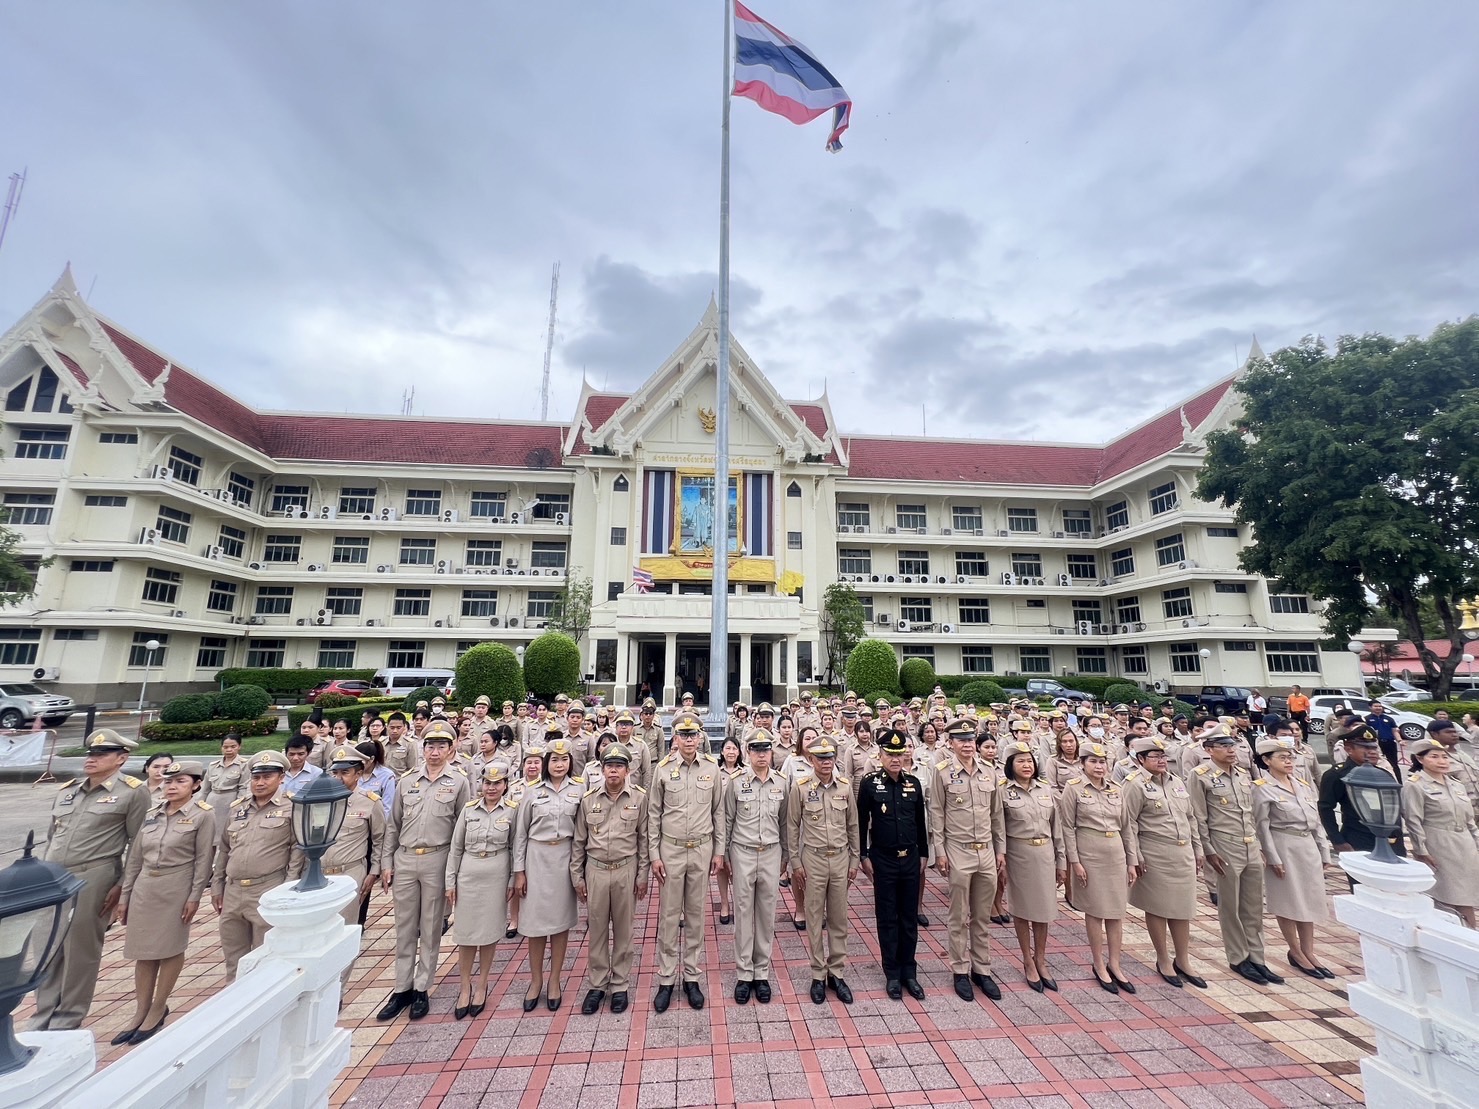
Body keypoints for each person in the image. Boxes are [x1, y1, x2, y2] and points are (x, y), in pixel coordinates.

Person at [31, 729, 150, 1031]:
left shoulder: (132, 791)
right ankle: (42, 1014)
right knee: (46, 947)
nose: (92, 759)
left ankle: (67, 1017)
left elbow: (138, 842)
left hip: (94, 874)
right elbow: (51, 836)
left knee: (79, 950)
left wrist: (122, 884)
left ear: (121, 759)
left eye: (101, 754)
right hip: (54, 877)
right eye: (90, 754)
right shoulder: (68, 790)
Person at [113, 759, 214, 1045]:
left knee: (169, 949)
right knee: (142, 951)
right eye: (168, 781)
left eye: (180, 781)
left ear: (195, 785)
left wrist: (195, 896)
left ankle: (158, 1007)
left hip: (176, 886)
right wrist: (126, 894)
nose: (171, 786)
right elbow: (134, 858)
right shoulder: (152, 813)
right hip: (146, 885)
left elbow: (203, 860)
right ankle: (141, 1009)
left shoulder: (202, 815)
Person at [377, 722, 470, 1022]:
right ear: (423, 747)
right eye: (430, 745)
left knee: (430, 926)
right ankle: (401, 987)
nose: (434, 751)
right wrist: (386, 863)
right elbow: (393, 825)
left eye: (442, 746)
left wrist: (454, 872)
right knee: (404, 926)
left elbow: (461, 828)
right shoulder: (407, 781)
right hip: (405, 859)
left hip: (437, 858)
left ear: (451, 749)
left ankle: (421, 987)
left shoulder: (458, 781)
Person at [1189, 727, 1283, 986]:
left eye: (1232, 744)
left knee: (1253, 906)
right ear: (1209, 749)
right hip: (1224, 846)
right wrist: (1208, 849)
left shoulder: (1242, 775)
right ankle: (1238, 957)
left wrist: (1261, 845)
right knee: (1230, 906)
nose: (1231, 750)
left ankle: (1257, 957)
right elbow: (1199, 817)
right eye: (1223, 745)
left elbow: (1250, 814)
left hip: (1249, 844)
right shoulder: (1200, 776)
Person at [647, 713, 727, 1012]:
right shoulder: (663, 770)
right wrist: (654, 854)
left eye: (694, 734)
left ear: (701, 737)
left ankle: (692, 976)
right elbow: (653, 815)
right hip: (671, 850)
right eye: (684, 734)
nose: (690, 739)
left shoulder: (711, 769)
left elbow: (718, 812)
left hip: (702, 850)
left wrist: (719, 851)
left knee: (696, 915)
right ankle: (667, 978)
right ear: (675, 738)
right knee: (668, 917)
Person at [929, 717, 1005, 1003]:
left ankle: (981, 969)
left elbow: (996, 815)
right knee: (959, 915)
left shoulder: (989, 771)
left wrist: (1000, 850)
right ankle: (960, 969)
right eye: (961, 740)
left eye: (971, 739)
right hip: (958, 849)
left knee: (982, 915)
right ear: (950, 743)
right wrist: (940, 851)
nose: (968, 744)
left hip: (986, 851)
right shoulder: (942, 772)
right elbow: (936, 813)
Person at [212, 750, 304, 981]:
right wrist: (216, 886)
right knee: (234, 957)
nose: (260, 783)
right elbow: (224, 849)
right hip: (233, 891)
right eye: (256, 777)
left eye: (267, 777)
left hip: (268, 888)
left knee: (268, 955)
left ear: (281, 777)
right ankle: (235, 1002)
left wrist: (287, 888)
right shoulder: (238, 808)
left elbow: (297, 849)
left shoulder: (292, 806)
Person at [1122, 737, 1206, 989]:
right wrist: (1134, 855)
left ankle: (1183, 959)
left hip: (1182, 853)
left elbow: (1190, 818)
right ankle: (1163, 959)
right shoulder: (1134, 785)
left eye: (1163, 756)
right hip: (1154, 853)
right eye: (1155, 756)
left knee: (1183, 909)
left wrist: (1198, 848)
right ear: (1140, 760)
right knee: (1157, 907)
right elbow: (1129, 823)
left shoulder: (1177, 782)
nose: (1162, 760)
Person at [572, 742, 649, 1015]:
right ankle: (597, 984)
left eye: (619, 766)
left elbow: (644, 840)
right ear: (602, 769)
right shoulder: (588, 799)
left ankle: (619, 984)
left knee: (624, 930)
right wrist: (577, 876)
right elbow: (579, 841)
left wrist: (643, 876)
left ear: (628, 770)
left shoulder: (639, 798)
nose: (613, 771)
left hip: (626, 869)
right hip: (596, 870)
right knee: (597, 930)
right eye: (609, 766)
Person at [1251, 735, 1335, 976]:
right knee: (1288, 900)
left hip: (1306, 845)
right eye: (1282, 758)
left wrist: (1323, 850)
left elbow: (1316, 822)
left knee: (1309, 899)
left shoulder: (1302, 785)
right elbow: (1261, 825)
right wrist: (1271, 855)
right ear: (1266, 760)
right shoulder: (1262, 788)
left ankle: (1309, 951)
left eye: (1290, 757)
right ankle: (1295, 951)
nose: (1288, 761)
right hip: (1283, 845)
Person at [786, 736, 859, 1005]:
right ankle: (818, 973)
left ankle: (836, 973)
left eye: (829, 757)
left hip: (840, 859)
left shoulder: (845, 787)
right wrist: (795, 862)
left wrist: (854, 861)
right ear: (811, 760)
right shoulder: (801, 787)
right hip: (813, 860)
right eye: (820, 757)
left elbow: (853, 826)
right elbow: (792, 827)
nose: (826, 762)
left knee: (839, 918)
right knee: (815, 919)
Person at [513, 736, 583, 1011]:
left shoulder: (579, 789)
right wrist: (519, 871)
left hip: (565, 858)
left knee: (560, 923)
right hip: (537, 858)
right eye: (554, 759)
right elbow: (520, 834)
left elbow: (583, 832)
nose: (559, 764)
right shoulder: (531, 791)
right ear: (546, 763)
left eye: (564, 759)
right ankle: (535, 980)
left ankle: (555, 980)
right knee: (534, 925)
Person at [1059, 742, 1135, 993]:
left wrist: (1131, 860)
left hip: (1115, 853)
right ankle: (1098, 962)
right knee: (1095, 910)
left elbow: (1126, 827)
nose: (1099, 766)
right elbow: (1067, 827)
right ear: (1083, 764)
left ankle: (1115, 963)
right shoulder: (1074, 789)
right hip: (1089, 851)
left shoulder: (1117, 789)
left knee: (1116, 911)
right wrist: (1075, 861)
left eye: (1102, 762)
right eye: (1093, 761)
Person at [447, 762, 517, 1019]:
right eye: (487, 783)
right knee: (465, 933)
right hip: (468, 873)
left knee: (489, 932)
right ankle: (464, 985)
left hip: (496, 874)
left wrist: (512, 880)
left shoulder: (511, 811)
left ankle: (482, 984)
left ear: (505, 786)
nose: (491, 787)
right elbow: (456, 848)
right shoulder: (468, 811)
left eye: (497, 783)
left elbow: (514, 848)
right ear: (482, 785)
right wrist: (450, 881)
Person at [724, 730, 789, 1005]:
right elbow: (727, 820)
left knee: (766, 914)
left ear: (771, 752)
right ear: (747, 752)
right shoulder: (736, 782)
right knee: (743, 912)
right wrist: (724, 855)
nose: (761, 754)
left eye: (766, 749)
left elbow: (786, 822)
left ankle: (761, 973)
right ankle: (744, 974)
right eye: (756, 749)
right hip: (743, 852)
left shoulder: (782, 783)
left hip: (772, 852)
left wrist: (786, 856)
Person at [998, 741, 1064, 992]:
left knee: (1044, 909)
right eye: (1020, 761)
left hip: (1045, 852)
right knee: (1023, 909)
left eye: (1029, 760)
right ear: (1010, 765)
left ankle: (1041, 958)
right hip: (1019, 853)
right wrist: (1001, 858)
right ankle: (1027, 959)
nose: (1027, 765)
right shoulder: (1003, 790)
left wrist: (1062, 861)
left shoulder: (1045, 789)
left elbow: (1057, 828)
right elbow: (999, 828)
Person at [1403, 737, 1479, 928]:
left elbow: (1470, 820)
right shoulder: (1415, 785)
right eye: (1434, 757)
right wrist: (1421, 850)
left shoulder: (1456, 784)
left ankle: (1470, 933)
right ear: (1420, 759)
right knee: (1446, 895)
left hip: (1465, 845)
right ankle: (1452, 934)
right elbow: (1413, 820)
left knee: (1467, 894)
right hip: (1438, 844)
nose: (1442, 761)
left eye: (1444, 757)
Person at [1318, 723, 1406, 882]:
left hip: (1390, 841)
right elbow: (1326, 808)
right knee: (1364, 887)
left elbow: (1394, 809)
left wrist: (1398, 842)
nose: (1372, 752)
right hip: (1358, 839)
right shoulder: (1337, 774)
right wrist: (1338, 841)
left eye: (1374, 748)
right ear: (1349, 749)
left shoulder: (1383, 773)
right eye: (1365, 748)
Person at [321, 746, 386, 947]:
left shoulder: (370, 802)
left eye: (345, 773)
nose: (339, 778)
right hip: (321, 874)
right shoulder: (321, 800)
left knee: (345, 935)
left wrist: (374, 871)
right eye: (335, 772)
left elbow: (379, 840)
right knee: (321, 934)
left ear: (358, 774)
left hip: (351, 873)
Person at [714, 736, 745, 924]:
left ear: (739, 752)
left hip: (741, 825)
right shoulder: (715, 772)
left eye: (734, 748)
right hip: (720, 825)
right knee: (722, 866)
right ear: (722, 752)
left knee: (740, 867)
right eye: (728, 748)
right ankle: (724, 903)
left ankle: (740, 904)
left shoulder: (747, 772)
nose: (731, 752)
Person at [202, 733, 249, 813]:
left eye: (233, 747)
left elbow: (244, 788)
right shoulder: (213, 765)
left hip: (230, 802)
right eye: (225, 747)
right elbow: (205, 789)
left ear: (239, 747)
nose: (229, 750)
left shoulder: (244, 765)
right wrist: (200, 802)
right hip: (211, 802)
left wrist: (239, 806)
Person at [1365, 700, 1403, 779]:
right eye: (1375, 706)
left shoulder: (1389, 719)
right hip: (1376, 744)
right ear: (1370, 707)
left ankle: (1398, 782)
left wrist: (1400, 740)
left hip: (1389, 743)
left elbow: (1394, 731)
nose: (1378, 708)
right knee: (1376, 763)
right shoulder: (1367, 719)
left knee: (1393, 764)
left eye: (1380, 706)